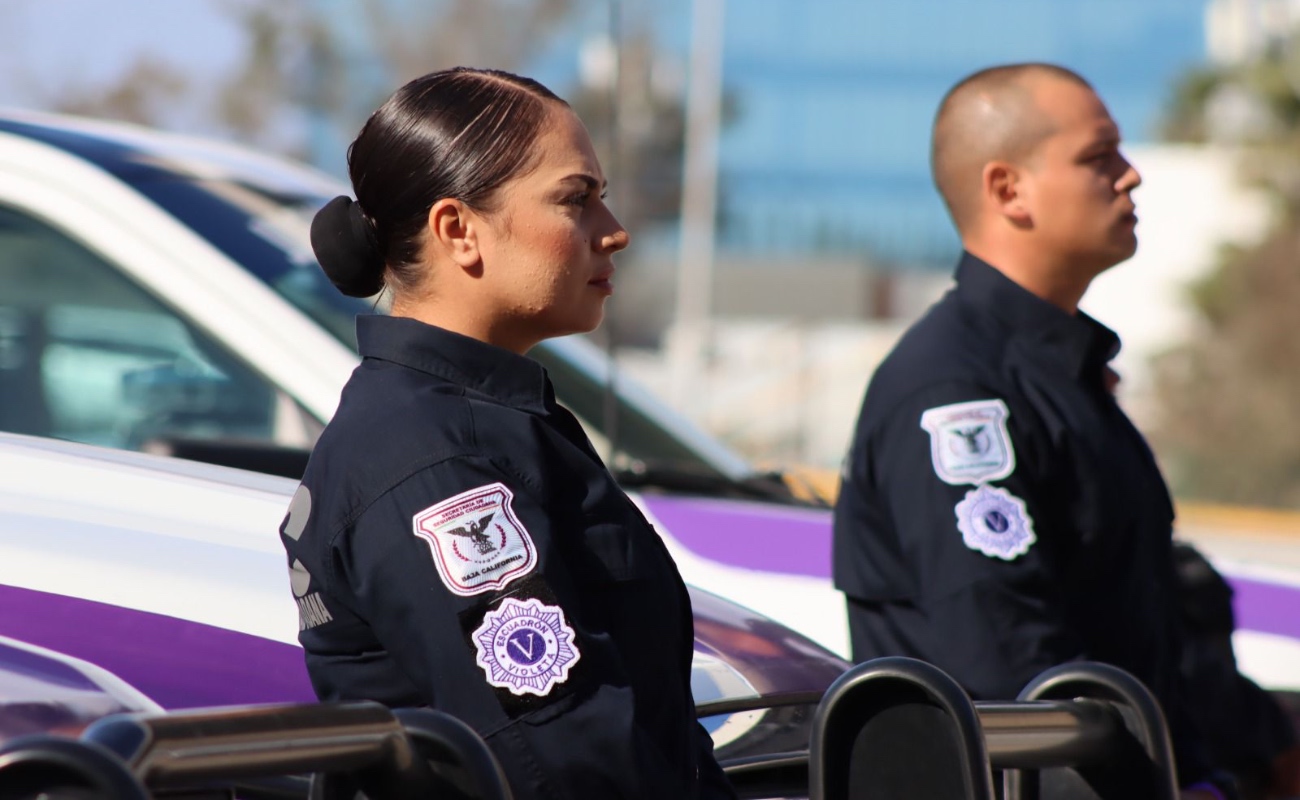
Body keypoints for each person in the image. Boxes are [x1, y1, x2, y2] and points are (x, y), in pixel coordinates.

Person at [832, 62, 1297, 799]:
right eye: (1098, 157)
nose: (1131, 175)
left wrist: (1262, 747)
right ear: (1007, 189)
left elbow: (1147, 631)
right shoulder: (957, 394)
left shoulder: (1061, 378)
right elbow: (1015, 673)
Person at [279, 67, 735, 800]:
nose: (612, 232)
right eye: (575, 200)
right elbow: (564, 761)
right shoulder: (436, 457)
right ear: (459, 230)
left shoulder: (469, 422)